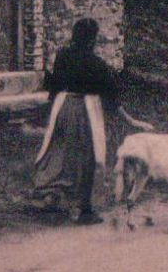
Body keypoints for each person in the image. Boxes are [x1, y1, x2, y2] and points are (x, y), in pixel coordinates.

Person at [33, 18, 152, 224]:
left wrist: (50, 111)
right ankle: (83, 210)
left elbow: (54, 85)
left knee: (58, 150)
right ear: (92, 40)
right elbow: (111, 98)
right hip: (85, 110)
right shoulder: (96, 64)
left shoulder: (63, 56)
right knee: (86, 156)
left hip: (62, 107)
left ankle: (50, 195)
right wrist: (131, 120)